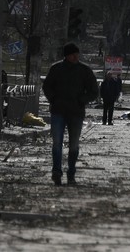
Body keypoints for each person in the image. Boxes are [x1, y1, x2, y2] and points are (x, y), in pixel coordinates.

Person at [42, 43, 99, 186]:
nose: (76, 57)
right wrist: (54, 99)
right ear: (66, 55)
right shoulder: (56, 69)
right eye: (73, 54)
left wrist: (82, 100)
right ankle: (56, 172)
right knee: (57, 144)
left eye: (77, 54)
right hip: (58, 111)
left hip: (76, 112)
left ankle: (71, 173)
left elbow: (94, 91)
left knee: (73, 145)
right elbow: (47, 86)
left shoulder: (84, 71)